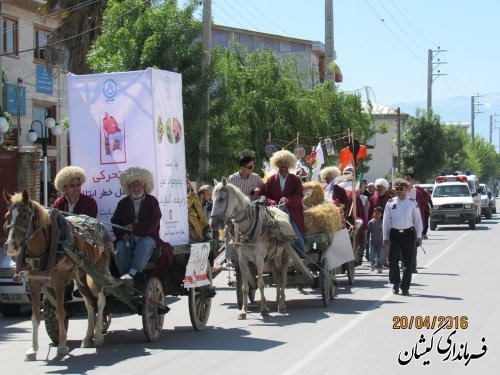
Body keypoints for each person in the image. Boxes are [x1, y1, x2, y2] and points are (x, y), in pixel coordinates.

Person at [111, 167, 172, 283]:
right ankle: (124, 278)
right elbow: (115, 221)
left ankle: (132, 273)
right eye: (133, 185)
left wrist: (135, 228)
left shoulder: (152, 202)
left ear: (144, 186)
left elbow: (153, 224)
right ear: (128, 187)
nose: (136, 188)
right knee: (120, 246)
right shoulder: (122, 203)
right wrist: (122, 233)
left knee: (145, 242)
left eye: (139, 185)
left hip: (148, 237)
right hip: (128, 238)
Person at [261, 150, 306, 258]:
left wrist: (288, 200)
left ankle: (302, 259)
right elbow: (265, 196)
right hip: (274, 212)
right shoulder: (271, 180)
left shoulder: (295, 180)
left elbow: (299, 196)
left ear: (290, 164)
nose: (284, 164)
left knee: (296, 236)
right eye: (281, 162)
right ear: (277, 163)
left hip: (292, 212)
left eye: (286, 162)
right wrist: (274, 203)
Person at [383, 178, 423, 296]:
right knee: (393, 261)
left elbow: (417, 220)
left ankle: (405, 287)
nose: (400, 191)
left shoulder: (412, 202)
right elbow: (386, 221)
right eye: (398, 189)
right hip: (394, 234)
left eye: (402, 188)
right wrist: (385, 237)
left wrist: (419, 236)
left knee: (407, 262)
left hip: (408, 234)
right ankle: (396, 283)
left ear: (406, 189)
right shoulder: (390, 203)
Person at [404, 172, 432, 273]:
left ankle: (412, 265)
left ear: (413, 180)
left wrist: (421, 227)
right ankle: (405, 264)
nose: (406, 181)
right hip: (402, 223)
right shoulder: (401, 192)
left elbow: (421, 210)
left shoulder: (418, 194)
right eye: (405, 179)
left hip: (414, 224)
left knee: (413, 245)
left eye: (408, 179)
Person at [368, 178, 392, 266]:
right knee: (374, 241)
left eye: (382, 187)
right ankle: (375, 259)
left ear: (385, 188)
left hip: (386, 222)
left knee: (386, 241)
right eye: (378, 187)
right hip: (375, 223)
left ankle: (384, 260)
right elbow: (370, 211)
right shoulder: (372, 198)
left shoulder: (390, 198)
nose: (380, 189)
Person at [368, 207, 384, 273]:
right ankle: (372, 264)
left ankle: (380, 267)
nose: (377, 215)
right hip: (373, 241)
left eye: (379, 213)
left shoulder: (383, 222)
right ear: (373, 213)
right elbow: (368, 231)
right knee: (371, 253)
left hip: (380, 241)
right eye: (376, 213)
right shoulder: (371, 222)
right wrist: (367, 239)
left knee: (380, 255)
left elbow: (386, 231)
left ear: (381, 214)